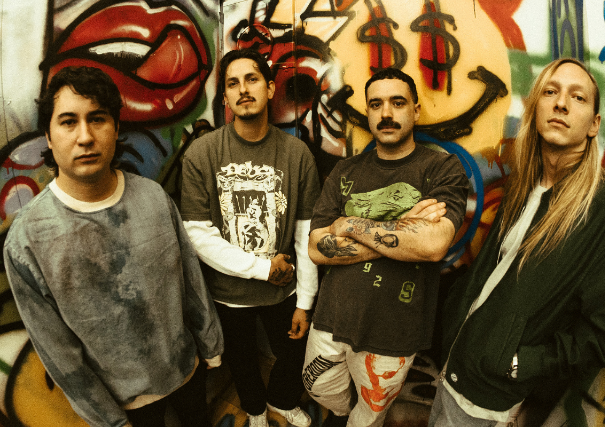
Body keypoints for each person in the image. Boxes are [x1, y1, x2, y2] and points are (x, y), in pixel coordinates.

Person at [3, 66, 224, 427]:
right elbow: (57, 348)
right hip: (124, 403)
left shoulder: (153, 197)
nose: (85, 137)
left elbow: (190, 279)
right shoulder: (27, 241)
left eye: (98, 119)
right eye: (68, 122)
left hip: (187, 369)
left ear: (116, 127)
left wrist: (211, 345)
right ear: (49, 137)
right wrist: (107, 418)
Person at [428, 58, 605, 426]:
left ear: (594, 124)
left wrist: (520, 363)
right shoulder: (523, 185)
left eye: (578, 97)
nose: (561, 104)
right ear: (536, 108)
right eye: (550, 92)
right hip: (452, 371)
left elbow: (601, 336)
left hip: (493, 403)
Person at [304, 68, 469, 427]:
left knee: (369, 417)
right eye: (376, 104)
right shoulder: (345, 171)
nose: (387, 113)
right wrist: (403, 229)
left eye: (398, 102)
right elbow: (316, 248)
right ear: (368, 112)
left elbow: (433, 244)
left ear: (415, 110)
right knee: (316, 386)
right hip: (331, 318)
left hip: (393, 334)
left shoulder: (441, 168)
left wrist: (349, 225)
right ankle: (342, 414)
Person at [180, 49, 321, 427]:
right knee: (241, 361)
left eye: (252, 79)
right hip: (228, 294)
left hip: (285, 290)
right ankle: (256, 410)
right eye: (233, 83)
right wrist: (263, 269)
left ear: (271, 88)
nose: (243, 89)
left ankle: (282, 400)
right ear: (225, 98)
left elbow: (306, 231)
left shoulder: (297, 154)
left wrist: (305, 302)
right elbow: (197, 234)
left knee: (294, 352)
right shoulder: (202, 153)